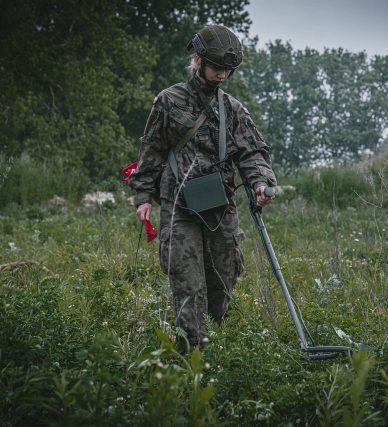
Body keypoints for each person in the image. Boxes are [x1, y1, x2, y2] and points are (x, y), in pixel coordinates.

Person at [128, 24, 277, 351]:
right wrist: (143, 195)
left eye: (228, 70)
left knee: (223, 281)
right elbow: (151, 149)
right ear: (198, 60)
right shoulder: (169, 101)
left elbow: (252, 152)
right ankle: (193, 357)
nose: (223, 75)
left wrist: (261, 183)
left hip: (220, 207)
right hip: (179, 207)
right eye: (217, 68)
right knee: (187, 284)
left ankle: (217, 348)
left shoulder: (233, 109)